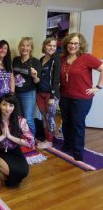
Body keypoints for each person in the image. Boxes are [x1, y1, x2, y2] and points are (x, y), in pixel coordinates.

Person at [59, 32, 103, 161]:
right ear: (66, 44)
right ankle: (67, 145)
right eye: (70, 43)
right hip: (65, 96)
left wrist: (98, 87)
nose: (72, 46)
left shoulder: (86, 58)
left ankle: (78, 151)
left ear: (80, 44)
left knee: (77, 124)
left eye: (75, 43)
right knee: (66, 123)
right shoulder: (62, 59)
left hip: (81, 99)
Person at [0, 94, 35, 188]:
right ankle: (1, 169)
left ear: (14, 107)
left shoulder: (20, 121)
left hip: (14, 150)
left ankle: (3, 173)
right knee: (10, 172)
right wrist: (2, 137)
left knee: (23, 172)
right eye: (4, 104)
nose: (7, 108)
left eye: (11, 105)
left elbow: (31, 143)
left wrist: (10, 137)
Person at [12, 37, 41, 135]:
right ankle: (23, 138)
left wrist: (35, 76)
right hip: (16, 93)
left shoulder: (35, 62)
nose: (25, 48)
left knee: (28, 118)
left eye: (28, 46)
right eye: (22, 45)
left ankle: (31, 140)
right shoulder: (15, 60)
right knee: (19, 118)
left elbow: (37, 81)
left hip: (28, 93)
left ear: (31, 48)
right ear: (20, 47)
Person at [36, 37, 61, 149]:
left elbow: (56, 79)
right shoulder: (41, 60)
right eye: (49, 45)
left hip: (50, 95)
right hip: (40, 92)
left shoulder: (56, 59)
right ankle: (47, 138)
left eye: (54, 46)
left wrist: (52, 96)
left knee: (50, 117)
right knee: (44, 117)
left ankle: (49, 141)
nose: (51, 48)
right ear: (44, 46)